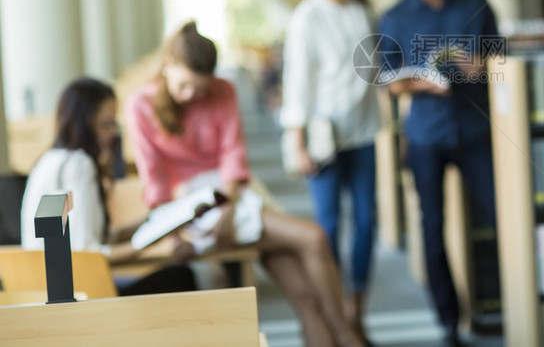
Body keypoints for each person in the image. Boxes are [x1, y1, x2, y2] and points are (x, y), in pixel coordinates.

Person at [124, 21, 365, 347]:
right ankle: (347, 336)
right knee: (314, 237)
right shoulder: (140, 104)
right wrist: (176, 233)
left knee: (306, 297)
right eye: (185, 86)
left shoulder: (224, 90)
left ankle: (340, 334)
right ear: (169, 66)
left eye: (201, 88)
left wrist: (229, 205)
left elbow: (232, 154)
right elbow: (155, 181)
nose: (193, 95)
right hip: (192, 207)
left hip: (232, 194)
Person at [378, 0, 500, 346]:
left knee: (499, 214)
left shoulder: (473, 0)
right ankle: (448, 321)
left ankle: (498, 303)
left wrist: (475, 65)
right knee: (432, 227)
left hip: (474, 129)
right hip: (426, 134)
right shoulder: (394, 16)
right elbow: (392, 83)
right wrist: (425, 85)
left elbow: (498, 55)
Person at [282, 0, 381, 342]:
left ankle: (355, 305)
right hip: (324, 139)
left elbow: (373, 68)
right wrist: (298, 141)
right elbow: (298, 82)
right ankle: (335, 312)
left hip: (363, 132)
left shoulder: (363, 10)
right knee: (327, 225)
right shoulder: (307, 16)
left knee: (368, 220)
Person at [21, 77, 197, 296]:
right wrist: (149, 246)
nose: (114, 132)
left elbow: (92, 237)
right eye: (106, 124)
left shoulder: (48, 160)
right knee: (179, 276)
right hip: (80, 294)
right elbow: (88, 253)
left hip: (44, 291)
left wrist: (152, 222)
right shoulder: (79, 165)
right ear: (82, 125)